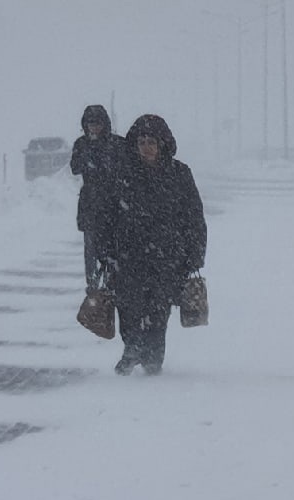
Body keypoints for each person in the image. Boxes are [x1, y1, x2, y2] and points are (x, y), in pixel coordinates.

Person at [96, 113, 206, 376]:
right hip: (128, 254)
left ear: (163, 144)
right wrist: (105, 250)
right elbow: (106, 214)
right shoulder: (122, 173)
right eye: (142, 141)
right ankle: (132, 347)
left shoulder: (179, 174)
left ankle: (154, 356)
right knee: (128, 305)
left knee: (158, 308)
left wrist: (194, 254)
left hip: (167, 255)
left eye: (152, 142)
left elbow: (194, 216)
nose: (146, 147)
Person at [69, 104, 123, 292]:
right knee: (91, 247)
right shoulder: (81, 144)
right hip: (90, 205)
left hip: (115, 205)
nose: (94, 127)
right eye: (90, 123)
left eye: (97, 123)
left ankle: (113, 279)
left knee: (115, 246)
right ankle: (92, 284)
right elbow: (75, 167)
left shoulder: (116, 144)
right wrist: (89, 155)